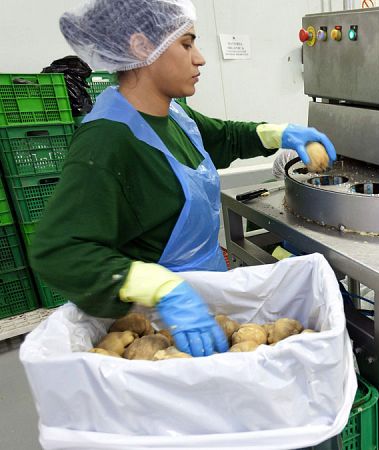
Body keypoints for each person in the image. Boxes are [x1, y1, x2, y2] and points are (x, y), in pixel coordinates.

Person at [30, 0, 336, 357]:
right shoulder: (107, 140)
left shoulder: (172, 114)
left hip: (203, 294)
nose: (200, 58)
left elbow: (222, 137)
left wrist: (279, 133)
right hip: (160, 325)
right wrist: (163, 289)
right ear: (142, 47)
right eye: (187, 44)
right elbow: (59, 251)